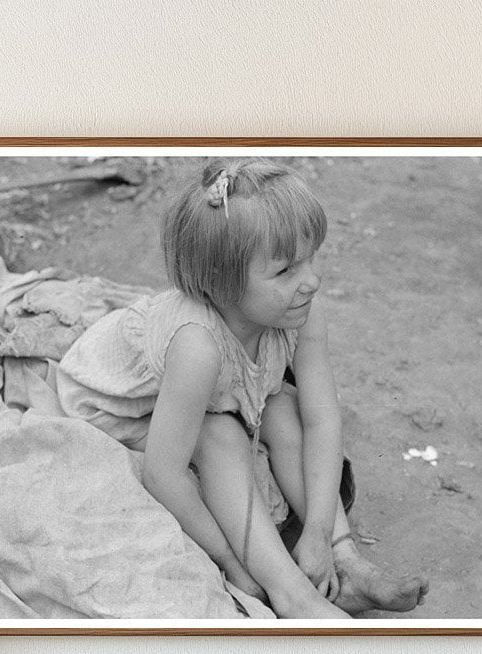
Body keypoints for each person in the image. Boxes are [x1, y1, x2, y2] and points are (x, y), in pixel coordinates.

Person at [56, 157, 428, 619]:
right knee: (220, 436)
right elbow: (163, 474)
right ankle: (295, 597)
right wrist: (230, 562)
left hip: (210, 393)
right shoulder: (198, 347)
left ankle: (346, 558)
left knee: (285, 406)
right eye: (285, 271)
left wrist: (316, 532)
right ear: (223, 286)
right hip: (121, 407)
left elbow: (322, 417)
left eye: (311, 258)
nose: (311, 280)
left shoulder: (302, 309)